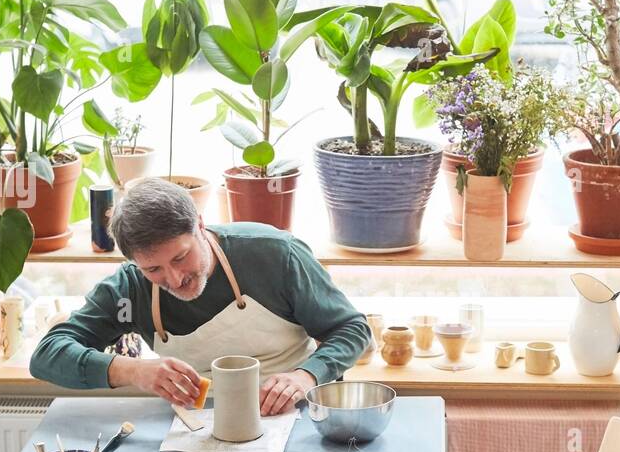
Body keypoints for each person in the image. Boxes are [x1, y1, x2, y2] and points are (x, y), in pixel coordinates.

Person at [29, 177, 370, 414]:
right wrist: (135, 372)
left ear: (201, 226)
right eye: (154, 270)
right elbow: (47, 356)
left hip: (297, 415)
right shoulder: (128, 290)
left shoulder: (275, 255)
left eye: (180, 257)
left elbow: (352, 329)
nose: (174, 279)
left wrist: (305, 375)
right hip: (196, 428)